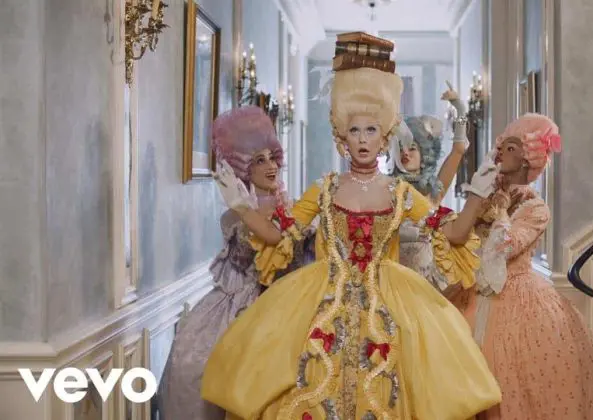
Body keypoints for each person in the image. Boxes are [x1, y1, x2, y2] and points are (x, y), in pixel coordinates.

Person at [201, 32, 502, 420]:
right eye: (355, 131)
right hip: (322, 297)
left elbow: (455, 234)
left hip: (390, 299)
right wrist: (241, 205)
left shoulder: (401, 193)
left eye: (371, 130)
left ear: (384, 137)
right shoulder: (324, 188)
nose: (363, 140)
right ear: (342, 136)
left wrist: (477, 193)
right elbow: (277, 236)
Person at [157, 106, 313, 420]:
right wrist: (243, 208)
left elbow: (283, 242)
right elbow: (262, 242)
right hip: (237, 306)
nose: (270, 166)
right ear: (244, 169)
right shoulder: (233, 217)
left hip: (287, 306)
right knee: (193, 366)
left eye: (272, 157)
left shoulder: (294, 211)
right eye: (259, 160)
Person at [459, 113, 593, 419]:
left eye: (510, 147)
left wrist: (499, 212)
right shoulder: (489, 194)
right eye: (501, 145)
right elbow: (462, 236)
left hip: (516, 294)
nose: (500, 152)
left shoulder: (536, 208)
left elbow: (505, 247)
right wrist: (480, 198)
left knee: (512, 375)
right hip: (474, 288)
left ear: (528, 158)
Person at [391, 82, 469, 290]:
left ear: (425, 153)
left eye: (412, 148)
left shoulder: (433, 190)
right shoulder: (387, 187)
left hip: (427, 281)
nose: (405, 153)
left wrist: (460, 108)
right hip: (394, 279)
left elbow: (458, 149)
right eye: (401, 148)